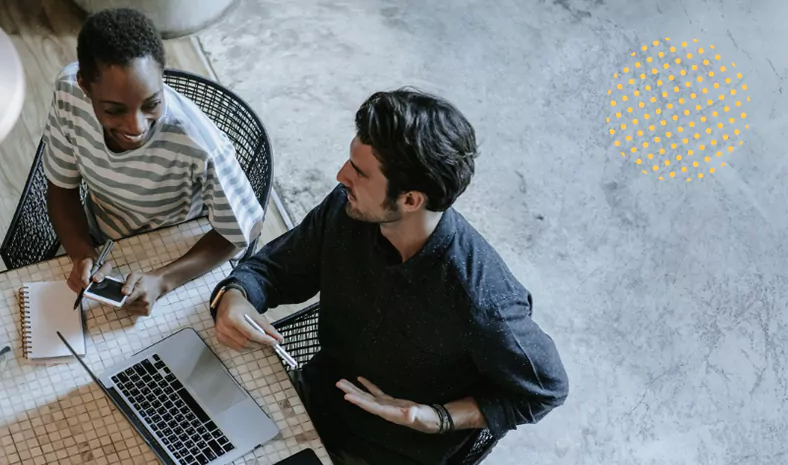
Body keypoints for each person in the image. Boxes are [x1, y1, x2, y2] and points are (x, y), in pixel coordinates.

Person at [209, 89, 569, 464]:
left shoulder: (482, 300)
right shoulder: (346, 209)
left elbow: (546, 389)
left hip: (389, 453)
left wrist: (438, 418)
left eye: (359, 173)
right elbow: (274, 269)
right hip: (313, 400)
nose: (340, 176)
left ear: (411, 200)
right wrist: (236, 294)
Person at [42, 8, 263, 315]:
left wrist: (163, 280)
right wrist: (81, 254)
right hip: (103, 243)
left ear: (162, 77)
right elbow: (61, 190)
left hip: (178, 255)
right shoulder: (68, 94)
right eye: (114, 110)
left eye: (152, 103)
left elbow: (241, 231)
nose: (136, 126)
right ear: (83, 85)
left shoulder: (201, 146)